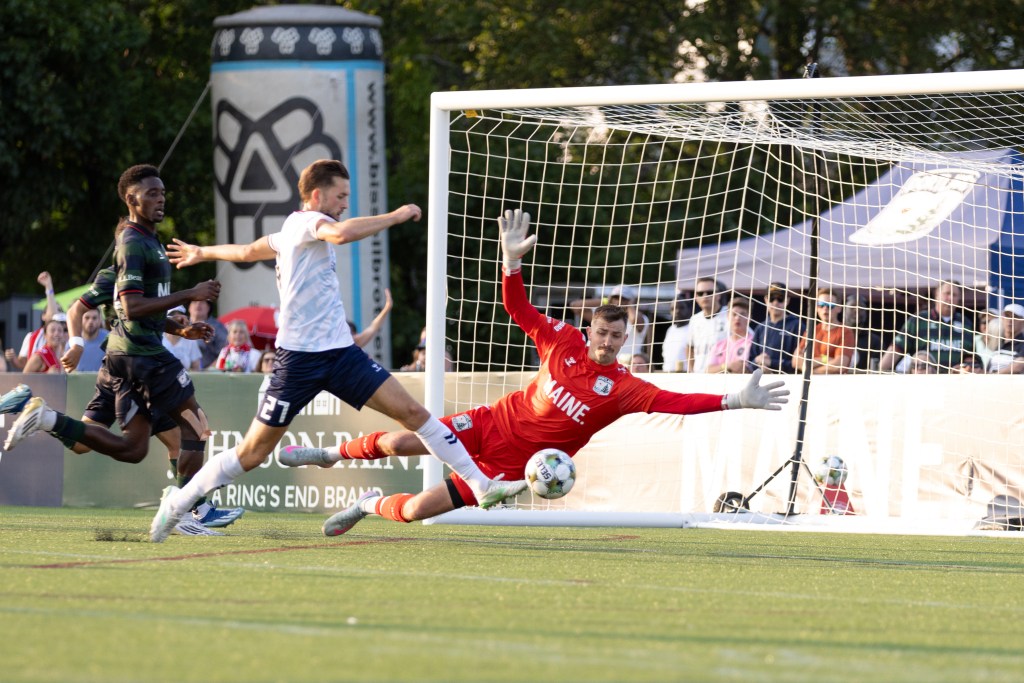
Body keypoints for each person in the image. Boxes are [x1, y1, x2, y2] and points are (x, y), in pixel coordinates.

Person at [279, 208, 789, 536]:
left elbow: (677, 404)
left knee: (414, 513)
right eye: (601, 333)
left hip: (509, 469)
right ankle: (329, 454)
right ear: (589, 331)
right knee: (403, 441)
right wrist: (510, 263)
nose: (608, 341)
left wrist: (733, 400)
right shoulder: (563, 341)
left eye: (617, 336)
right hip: (490, 421)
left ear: (628, 337)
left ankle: (369, 505)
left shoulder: (626, 388)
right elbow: (519, 309)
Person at [148, 159, 524, 542]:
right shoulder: (308, 223)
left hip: (342, 355)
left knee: (413, 412)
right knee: (252, 454)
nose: (346, 202)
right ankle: (177, 505)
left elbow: (246, 251)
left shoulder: (289, 232)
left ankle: (481, 484)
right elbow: (342, 234)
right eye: (341, 195)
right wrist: (396, 214)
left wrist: (202, 251)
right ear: (317, 195)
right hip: (297, 362)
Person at [4, 165, 224, 513]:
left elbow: (126, 309)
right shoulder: (134, 244)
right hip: (141, 358)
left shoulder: (147, 245)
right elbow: (127, 307)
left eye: (163, 192)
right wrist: (189, 294)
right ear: (131, 200)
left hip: (124, 359)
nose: (161, 198)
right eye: (152, 193)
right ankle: (192, 511)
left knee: (109, 446)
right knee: (194, 428)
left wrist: (179, 329)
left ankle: (43, 416)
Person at [878, 280, 974, 374]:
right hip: (924, 382)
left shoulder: (966, 323)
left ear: (959, 298)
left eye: (954, 295)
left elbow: (972, 358)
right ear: (936, 295)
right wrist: (881, 370)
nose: (950, 298)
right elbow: (896, 348)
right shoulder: (919, 320)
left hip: (956, 383)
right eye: (947, 293)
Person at [570, 286, 652, 363]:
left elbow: (634, 320)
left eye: (624, 299)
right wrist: (606, 301)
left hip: (627, 365)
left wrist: (630, 305)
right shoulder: (601, 316)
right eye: (615, 297)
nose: (618, 301)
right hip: (595, 361)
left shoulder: (642, 318)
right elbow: (575, 306)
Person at [5, 271, 61, 371]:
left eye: (59, 311)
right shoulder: (32, 337)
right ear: (43, 316)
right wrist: (13, 359)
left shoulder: (66, 337)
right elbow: (24, 364)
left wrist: (49, 286)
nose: (56, 314)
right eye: (52, 309)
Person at [793, 288, 855, 375]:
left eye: (830, 305)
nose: (825, 309)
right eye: (821, 305)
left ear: (839, 308)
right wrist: (824, 360)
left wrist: (811, 371)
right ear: (816, 308)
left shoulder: (845, 332)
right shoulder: (812, 330)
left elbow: (839, 365)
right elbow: (795, 361)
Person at [748, 283, 803, 374]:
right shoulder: (761, 327)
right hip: (763, 379)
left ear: (787, 300)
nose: (775, 302)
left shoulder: (797, 326)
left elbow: (800, 363)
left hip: (789, 380)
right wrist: (758, 362)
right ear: (766, 300)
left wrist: (771, 363)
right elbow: (751, 360)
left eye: (780, 299)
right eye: (771, 298)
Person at [684, 277, 728, 373]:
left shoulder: (730, 315)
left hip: (721, 376)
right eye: (700, 293)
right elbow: (689, 347)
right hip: (699, 377)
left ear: (718, 295)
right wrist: (692, 371)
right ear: (695, 297)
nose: (705, 296)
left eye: (709, 292)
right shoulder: (694, 320)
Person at [706, 298, 753, 374]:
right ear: (728, 316)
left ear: (749, 317)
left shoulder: (753, 343)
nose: (737, 318)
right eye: (734, 314)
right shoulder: (719, 345)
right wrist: (727, 366)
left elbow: (742, 369)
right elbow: (708, 370)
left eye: (742, 314)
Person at [843, 294, 883, 373]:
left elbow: (876, 371)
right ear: (843, 310)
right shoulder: (835, 336)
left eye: (861, 308)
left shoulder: (874, 341)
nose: (856, 310)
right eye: (852, 307)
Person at [188, 299, 228, 369]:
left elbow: (226, 351)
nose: (198, 304)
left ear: (208, 307)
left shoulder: (217, 327)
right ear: (189, 307)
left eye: (202, 302)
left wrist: (209, 370)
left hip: (207, 374)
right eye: (194, 302)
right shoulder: (182, 325)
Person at [987, 303, 1024, 374]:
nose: (1010, 320)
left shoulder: (1022, 344)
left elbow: (1018, 366)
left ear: (1022, 321)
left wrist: (993, 376)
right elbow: (989, 369)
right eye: (1007, 316)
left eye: (1015, 317)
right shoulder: (999, 344)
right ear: (1002, 319)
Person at [162, 306, 203, 371]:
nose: (177, 319)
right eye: (172, 315)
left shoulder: (191, 340)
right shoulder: (158, 337)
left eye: (180, 315)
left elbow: (197, 367)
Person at [660, 291, 691, 372]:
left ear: (689, 309)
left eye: (681, 308)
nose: (677, 311)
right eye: (673, 309)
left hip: (685, 374)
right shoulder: (670, 330)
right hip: (667, 373)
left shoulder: (693, 328)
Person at [75, 306, 109, 372]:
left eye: (94, 318)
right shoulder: (74, 342)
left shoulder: (109, 339)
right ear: (81, 319)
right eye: (87, 318)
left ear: (100, 320)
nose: (90, 321)